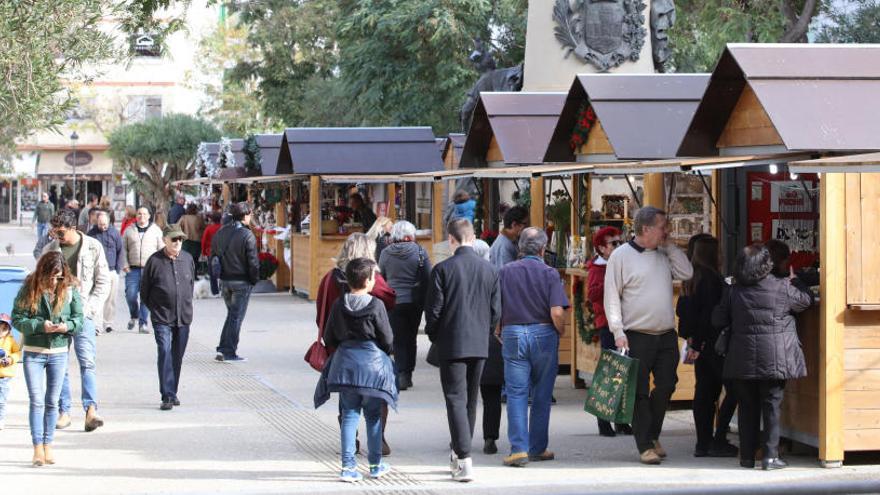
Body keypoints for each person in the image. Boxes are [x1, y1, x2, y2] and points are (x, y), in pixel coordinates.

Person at [604, 206, 693, 464]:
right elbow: (612, 296)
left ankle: (651, 434)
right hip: (636, 334)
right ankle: (645, 445)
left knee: (667, 385)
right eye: (662, 226)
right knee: (639, 392)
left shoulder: (665, 253)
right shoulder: (620, 256)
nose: (667, 230)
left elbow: (687, 274)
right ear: (646, 229)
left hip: (666, 333)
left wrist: (672, 246)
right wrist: (618, 331)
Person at [713, 244, 813, 470]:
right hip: (775, 357)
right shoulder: (782, 287)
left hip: (741, 356)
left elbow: (718, 319)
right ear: (767, 265)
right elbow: (807, 301)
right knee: (771, 406)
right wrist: (795, 279)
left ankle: (746, 457)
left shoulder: (733, 291)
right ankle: (770, 457)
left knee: (747, 407)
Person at [425, 219, 501, 482]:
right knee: (469, 399)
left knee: (455, 399)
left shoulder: (442, 270)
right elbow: (495, 312)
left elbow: (433, 312)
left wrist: (436, 336)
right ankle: (461, 454)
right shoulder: (490, 270)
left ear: (451, 240)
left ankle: (463, 456)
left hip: (452, 342)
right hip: (479, 343)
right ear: (474, 237)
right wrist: (485, 333)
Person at [315, 258, 396, 482]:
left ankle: (348, 467)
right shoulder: (377, 305)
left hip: (346, 366)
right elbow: (388, 339)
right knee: (373, 415)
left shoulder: (339, 304)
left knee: (349, 415)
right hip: (372, 367)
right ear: (369, 280)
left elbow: (329, 335)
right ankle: (375, 464)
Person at [498, 227, 569, 467]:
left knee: (516, 393)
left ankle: (518, 449)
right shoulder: (550, 273)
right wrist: (560, 329)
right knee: (541, 393)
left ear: (519, 248)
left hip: (513, 332)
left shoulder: (505, 272)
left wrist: (499, 329)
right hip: (543, 333)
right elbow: (557, 311)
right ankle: (538, 447)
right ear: (542, 249)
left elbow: (497, 306)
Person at [11, 252, 83, 466]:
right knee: (37, 400)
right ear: (42, 272)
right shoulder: (30, 287)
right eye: (50, 276)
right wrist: (39, 326)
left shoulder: (69, 290)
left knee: (52, 401)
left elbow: (78, 319)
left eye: (58, 277)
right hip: (34, 351)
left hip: (59, 352)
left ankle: (48, 445)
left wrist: (66, 326)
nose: (54, 281)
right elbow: (17, 318)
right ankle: (37, 449)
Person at [42, 209, 110, 433]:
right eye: (54, 232)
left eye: (60, 232)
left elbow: (103, 282)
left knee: (87, 362)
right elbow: (41, 283)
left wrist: (89, 310)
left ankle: (91, 410)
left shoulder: (92, 247)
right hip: (57, 314)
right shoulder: (49, 250)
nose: (57, 237)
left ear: (73, 228)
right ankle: (64, 411)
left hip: (84, 315)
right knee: (59, 363)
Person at [676, 235, 738, 457]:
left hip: (698, 343)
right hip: (714, 343)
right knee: (734, 389)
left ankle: (703, 442)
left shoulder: (690, 278)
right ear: (712, 254)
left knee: (704, 392)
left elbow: (684, 312)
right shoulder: (711, 279)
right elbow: (711, 316)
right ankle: (718, 437)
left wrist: (692, 340)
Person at [141, 224, 195, 411]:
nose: (178, 242)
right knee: (164, 351)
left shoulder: (187, 259)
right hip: (162, 316)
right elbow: (144, 291)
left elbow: (190, 285)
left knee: (177, 355)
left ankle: (173, 390)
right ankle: (167, 395)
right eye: (174, 239)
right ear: (165, 240)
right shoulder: (154, 262)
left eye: (180, 239)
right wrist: (155, 310)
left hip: (183, 317)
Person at [586, 226, 632, 437]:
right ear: (602, 248)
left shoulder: (620, 263)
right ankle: (603, 420)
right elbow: (593, 295)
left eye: (619, 242)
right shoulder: (598, 268)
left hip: (625, 323)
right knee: (609, 373)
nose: (618, 245)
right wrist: (611, 282)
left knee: (624, 372)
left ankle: (621, 421)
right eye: (613, 243)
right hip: (608, 324)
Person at [378, 220, 432, 390]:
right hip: (415, 302)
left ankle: (401, 373)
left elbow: (382, 277)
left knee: (399, 339)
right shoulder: (420, 252)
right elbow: (428, 277)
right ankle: (408, 373)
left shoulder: (386, 253)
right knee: (411, 338)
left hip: (394, 301)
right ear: (410, 235)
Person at [211, 202, 259, 362]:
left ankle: (223, 348)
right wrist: (254, 280)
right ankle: (228, 351)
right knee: (236, 317)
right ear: (245, 215)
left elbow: (213, 257)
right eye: (250, 214)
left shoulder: (221, 232)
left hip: (224, 280)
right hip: (241, 281)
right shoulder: (247, 235)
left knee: (232, 315)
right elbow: (253, 262)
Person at [122, 206, 165, 334]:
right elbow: (123, 249)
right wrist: (124, 264)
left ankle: (143, 324)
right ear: (136, 216)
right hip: (133, 269)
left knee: (145, 298)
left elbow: (161, 249)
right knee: (130, 295)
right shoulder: (129, 230)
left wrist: (160, 266)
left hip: (149, 269)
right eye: (139, 214)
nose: (141, 216)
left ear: (149, 216)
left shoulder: (155, 230)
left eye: (144, 214)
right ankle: (134, 315)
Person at [88, 210, 124, 334]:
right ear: (96, 222)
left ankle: (108, 323)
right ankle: (97, 325)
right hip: (96, 271)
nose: (103, 227)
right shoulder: (91, 234)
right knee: (98, 298)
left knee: (111, 299)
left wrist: (118, 269)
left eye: (105, 224)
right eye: (100, 224)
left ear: (109, 222)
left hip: (111, 270)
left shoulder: (115, 233)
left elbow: (120, 251)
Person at [0, 313, 22, 431]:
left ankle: (1, 419)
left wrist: (10, 359)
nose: (1, 331)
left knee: (1, 401)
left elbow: (18, 353)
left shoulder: (11, 341)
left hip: (4, 376)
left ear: (8, 330)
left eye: (4, 329)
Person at [489, 206, 529, 270]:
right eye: (525, 224)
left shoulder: (510, 240)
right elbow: (505, 274)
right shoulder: (504, 245)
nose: (526, 227)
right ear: (514, 224)